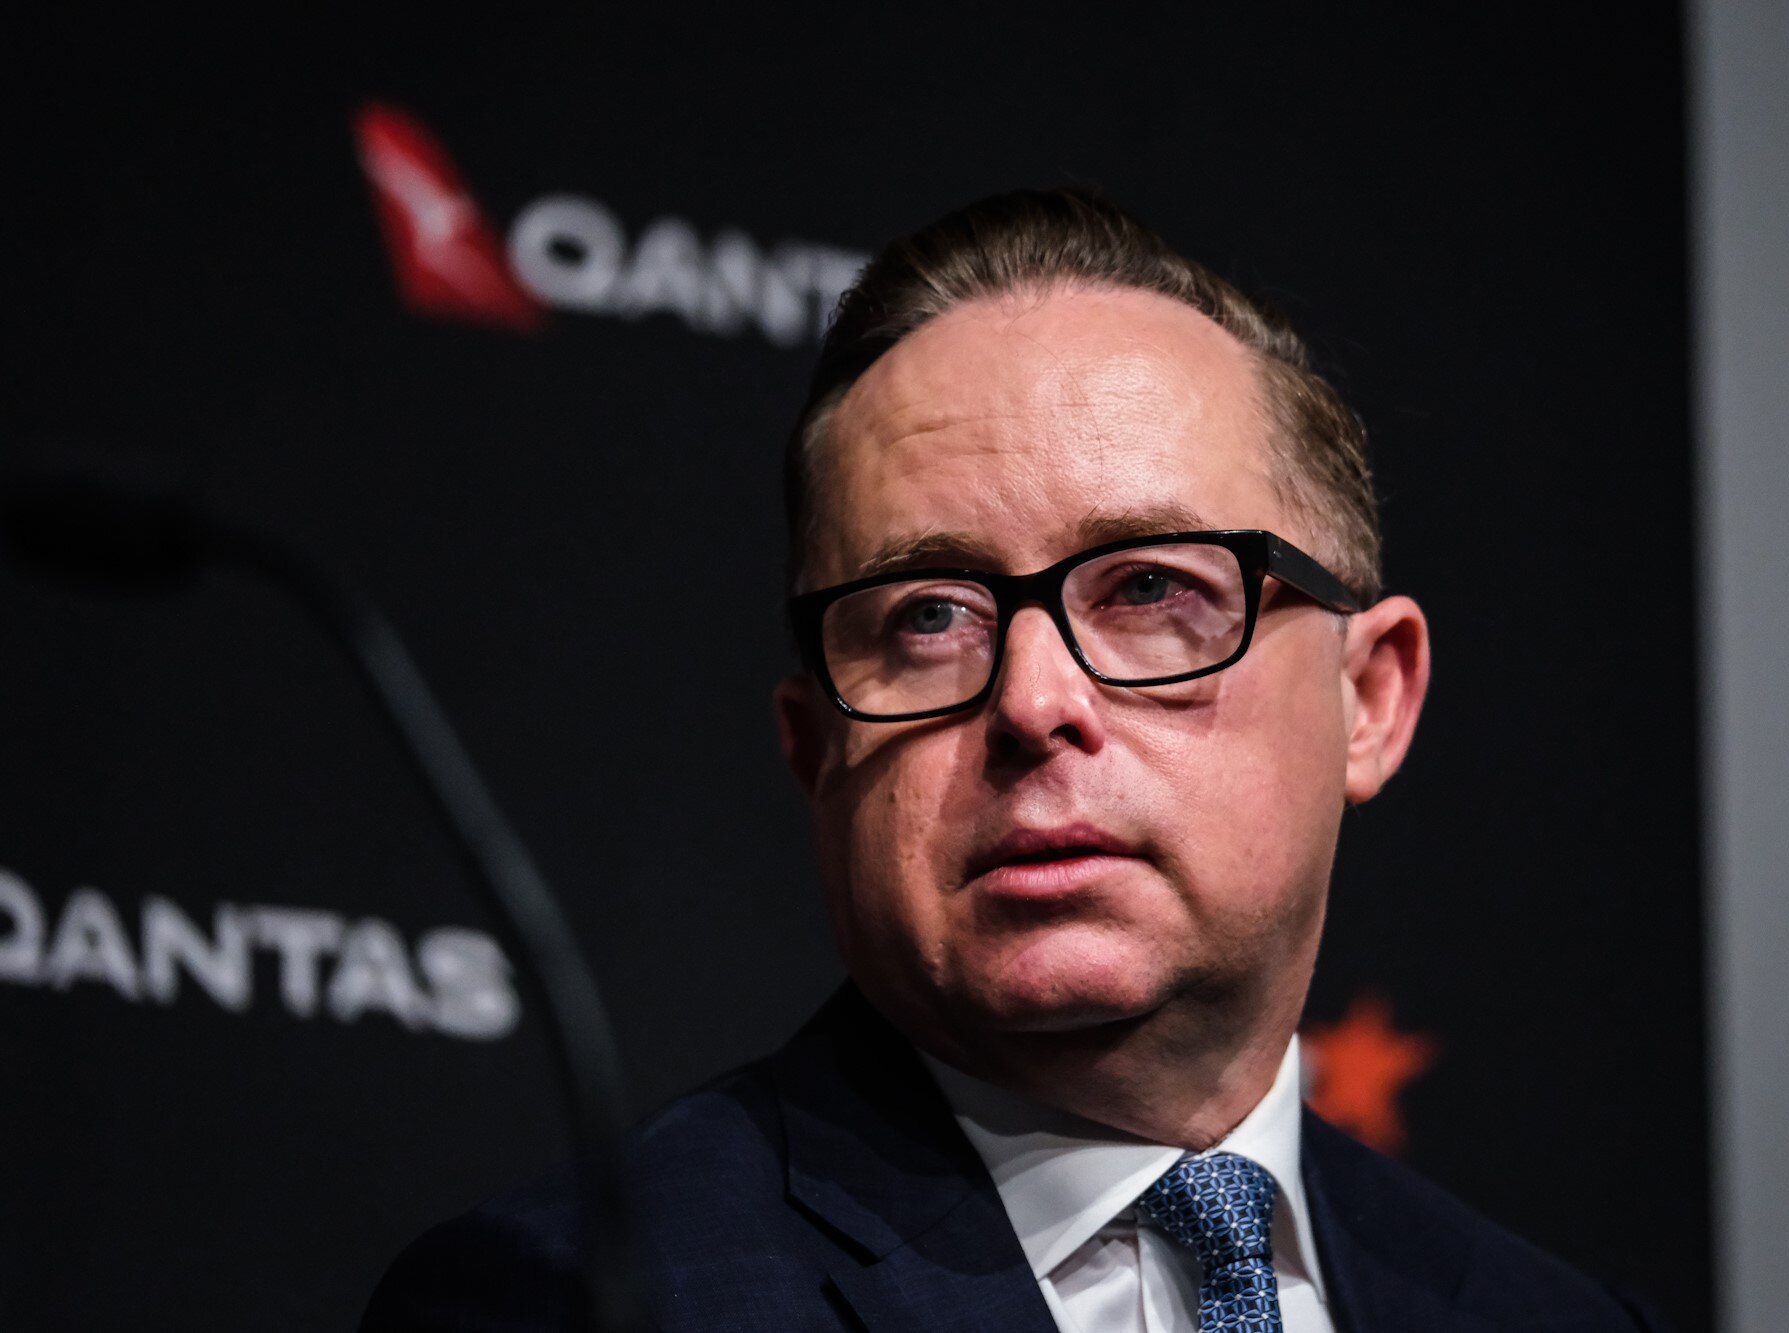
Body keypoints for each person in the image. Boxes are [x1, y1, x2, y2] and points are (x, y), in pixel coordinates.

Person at [361, 190, 1662, 1332]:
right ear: (815, 750)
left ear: (1370, 696)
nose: (1037, 702)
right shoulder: (583, 1301)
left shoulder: (1559, 1315)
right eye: (927, 616)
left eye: (1152, 587)